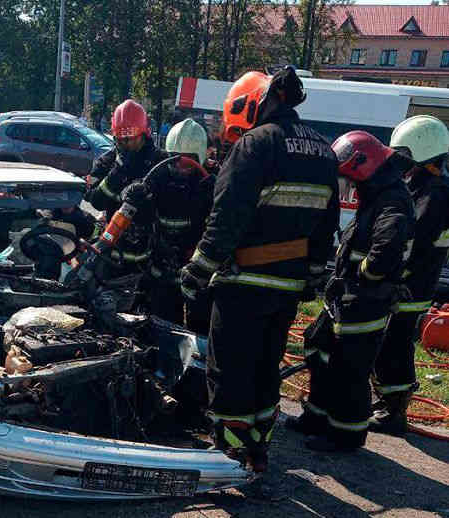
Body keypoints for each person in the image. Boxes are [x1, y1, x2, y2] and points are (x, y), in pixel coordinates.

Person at [179, 67, 339, 472]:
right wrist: (313, 277)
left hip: (243, 282)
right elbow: (327, 224)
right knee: (267, 368)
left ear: (253, 105)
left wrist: (198, 271)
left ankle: (230, 454)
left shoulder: (255, 144)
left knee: (230, 369)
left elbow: (227, 217)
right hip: (286, 288)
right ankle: (259, 449)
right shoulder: (323, 150)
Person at [289, 131, 414, 453]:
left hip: (365, 302)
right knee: (319, 348)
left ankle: (346, 435)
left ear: (362, 166)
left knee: (350, 370)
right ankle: (316, 417)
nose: (346, 186)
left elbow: (385, 252)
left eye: (348, 178)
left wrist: (359, 276)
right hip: (347, 299)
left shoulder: (392, 200)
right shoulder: (377, 193)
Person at [370, 115, 449, 436]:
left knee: (394, 344)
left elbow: (412, 241)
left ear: (421, 151)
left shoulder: (435, 193)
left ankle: (393, 411)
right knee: (392, 342)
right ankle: (388, 403)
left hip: (410, 284)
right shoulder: (429, 186)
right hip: (415, 281)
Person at [100, 118, 214, 325]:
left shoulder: (211, 181)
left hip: (199, 272)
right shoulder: (159, 174)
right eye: (176, 159)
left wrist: (214, 195)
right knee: (164, 329)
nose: (182, 166)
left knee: (201, 329)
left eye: (190, 160)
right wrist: (132, 192)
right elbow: (138, 203)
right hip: (162, 271)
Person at [86, 99, 169, 275]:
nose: (126, 144)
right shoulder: (107, 162)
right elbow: (96, 201)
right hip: (112, 256)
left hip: (148, 257)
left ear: (144, 134)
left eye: (131, 139)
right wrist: (117, 172)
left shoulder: (160, 161)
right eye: (121, 140)